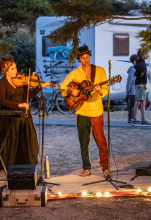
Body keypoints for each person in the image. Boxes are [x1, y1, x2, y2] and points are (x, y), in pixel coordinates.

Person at [59, 44, 109, 177]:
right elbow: (62, 87)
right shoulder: (75, 73)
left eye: (87, 57)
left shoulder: (100, 71)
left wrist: (100, 91)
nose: (86, 60)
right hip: (81, 110)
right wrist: (71, 90)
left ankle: (105, 167)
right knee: (84, 141)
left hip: (96, 109)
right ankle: (86, 167)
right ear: (79, 59)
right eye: (83, 58)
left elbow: (106, 90)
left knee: (101, 139)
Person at [0, 57, 50, 169]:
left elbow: (27, 96)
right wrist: (18, 105)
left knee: (26, 141)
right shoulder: (2, 82)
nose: (15, 70)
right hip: (10, 117)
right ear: (6, 70)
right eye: (12, 69)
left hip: (24, 115)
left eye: (15, 67)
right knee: (11, 143)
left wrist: (39, 87)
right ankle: (8, 166)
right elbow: (2, 100)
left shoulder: (21, 80)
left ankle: (25, 165)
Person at [132, 49, 151, 126]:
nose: (147, 55)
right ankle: (143, 120)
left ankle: (134, 119)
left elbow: (135, 68)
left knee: (138, 102)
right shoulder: (141, 63)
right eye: (145, 54)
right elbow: (137, 69)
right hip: (141, 84)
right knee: (143, 102)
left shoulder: (139, 62)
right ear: (141, 55)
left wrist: (139, 73)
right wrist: (141, 73)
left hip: (138, 84)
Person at [126, 54, 138, 124]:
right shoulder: (132, 70)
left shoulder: (135, 69)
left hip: (134, 90)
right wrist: (127, 90)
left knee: (133, 105)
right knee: (131, 105)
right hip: (132, 91)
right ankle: (130, 118)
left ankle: (133, 117)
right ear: (134, 61)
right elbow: (129, 81)